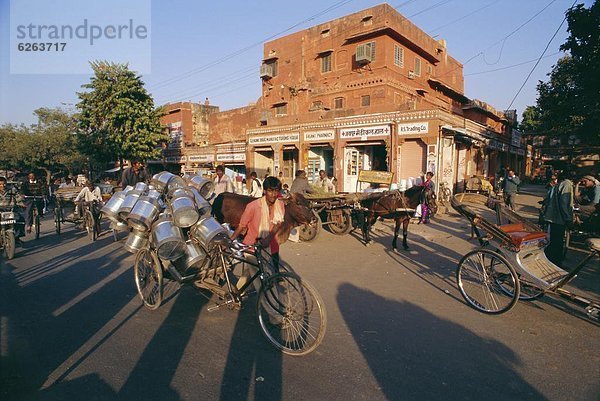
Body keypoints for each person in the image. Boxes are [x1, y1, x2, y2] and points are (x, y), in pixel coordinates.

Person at [230, 176, 286, 289]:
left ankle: (236, 294)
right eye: (270, 191)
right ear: (264, 191)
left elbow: (278, 223)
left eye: (276, 191)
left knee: (248, 274)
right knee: (262, 283)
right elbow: (242, 226)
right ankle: (266, 305)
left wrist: (268, 239)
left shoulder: (280, 205)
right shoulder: (253, 206)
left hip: (267, 245)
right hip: (251, 246)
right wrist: (230, 241)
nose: (273, 194)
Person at [542, 171, 574, 268]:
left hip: (554, 217)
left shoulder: (560, 184)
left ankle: (553, 261)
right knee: (558, 242)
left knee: (555, 241)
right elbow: (564, 203)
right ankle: (554, 262)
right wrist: (568, 218)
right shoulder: (567, 184)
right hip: (559, 218)